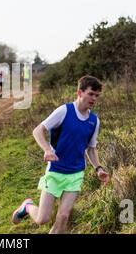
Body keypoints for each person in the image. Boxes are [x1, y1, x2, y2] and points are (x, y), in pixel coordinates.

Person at [11, 75, 110, 233]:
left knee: (63, 217)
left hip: (76, 173)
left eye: (97, 96)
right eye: (91, 94)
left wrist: (98, 168)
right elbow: (38, 130)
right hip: (56, 171)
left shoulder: (94, 121)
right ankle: (27, 206)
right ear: (79, 92)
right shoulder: (64, 111)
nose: (94, 98)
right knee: (42, 219)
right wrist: (47, 150)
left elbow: (91, 148)